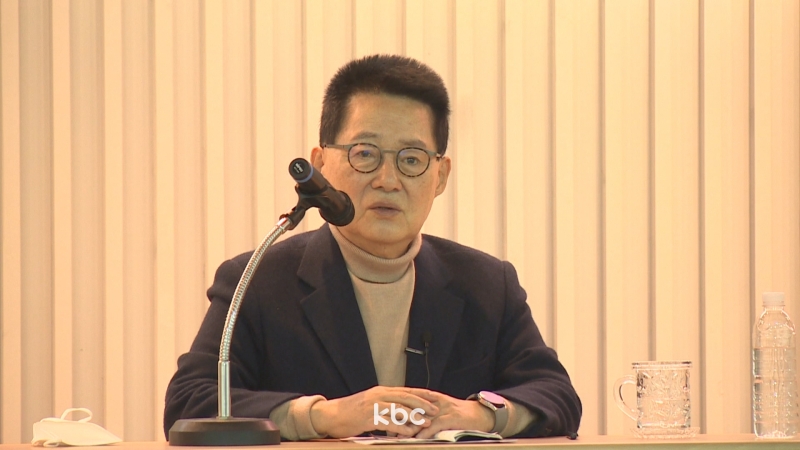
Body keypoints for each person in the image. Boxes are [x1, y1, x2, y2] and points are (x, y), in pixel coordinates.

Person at [164, 54, 581, 440]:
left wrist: (479, 414)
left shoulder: (487, 284)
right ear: (321, 163)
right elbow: (190, 401)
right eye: (365, 154)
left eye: (411, 159)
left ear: (440, 176)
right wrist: (323, 416)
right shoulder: (256, 280)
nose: (387, 180)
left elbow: (556, 395)